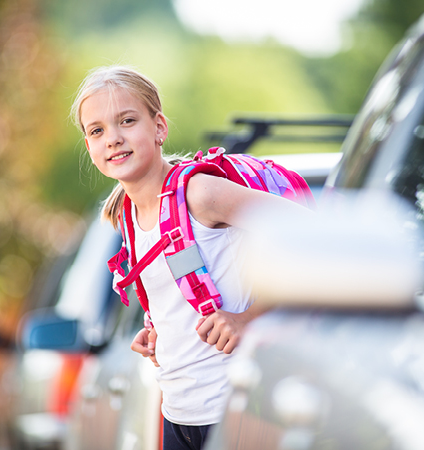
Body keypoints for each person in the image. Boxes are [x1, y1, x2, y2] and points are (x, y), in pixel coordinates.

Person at [70, 65, 302, 450]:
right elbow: (185, 285)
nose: (113, 138)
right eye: (97, 131)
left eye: (127, 121)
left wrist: (247, 318)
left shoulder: (200, 194)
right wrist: (160, 329)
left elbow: (309, 236)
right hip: (179, 413)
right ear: (90, 148)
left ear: (159, 127)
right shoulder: (127, 216)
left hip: (237, 409)